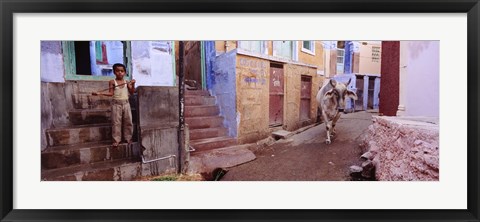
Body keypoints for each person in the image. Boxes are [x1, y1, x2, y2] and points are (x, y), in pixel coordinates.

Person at [92, 63, 136, 148]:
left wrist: (133, 84)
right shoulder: (112, 82)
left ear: (125, 72)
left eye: (122, 71)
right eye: (117, 71)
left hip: (126, 104)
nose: (120, 73)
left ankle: (128, 138)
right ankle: (116, 140)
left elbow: (132, 92)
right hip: (116, 104)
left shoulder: (127, 82)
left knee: (128, 121)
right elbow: (111, 93)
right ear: (114, 72)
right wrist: (99, 93)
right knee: (116, 122)